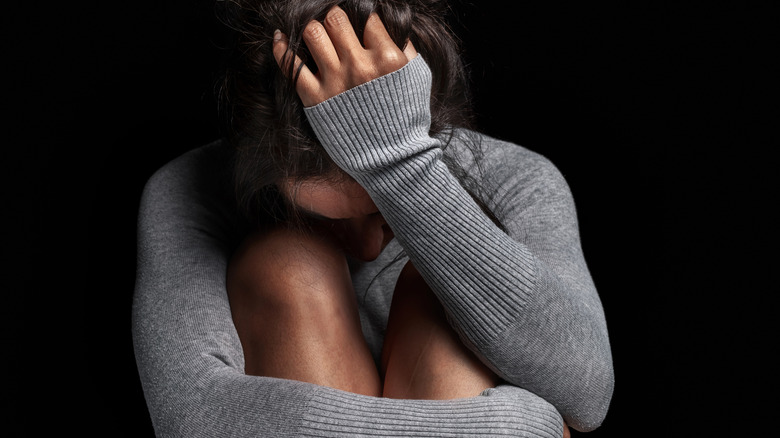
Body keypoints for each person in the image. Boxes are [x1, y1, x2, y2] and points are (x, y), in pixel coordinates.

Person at [132, 1, 614, 436]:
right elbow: (190, 415)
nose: (365, 248)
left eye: (384, 214)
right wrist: (505, 426)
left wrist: (400, 165)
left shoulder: (516, 178)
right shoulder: (192, 189)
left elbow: (588, 393)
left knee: (444, 287)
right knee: (284, 261)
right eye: (319, 219)